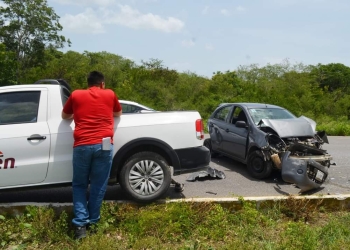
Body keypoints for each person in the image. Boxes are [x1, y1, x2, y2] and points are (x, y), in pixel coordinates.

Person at [61, 71, 122, 240]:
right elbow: (118, 113)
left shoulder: (76, 95)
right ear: (102, 84)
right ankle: (93, 221)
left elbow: (64, 115)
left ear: (87, 83)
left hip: (82, 144)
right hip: (104, 144)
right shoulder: (109, 94)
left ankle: (80, 225)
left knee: (79, 184)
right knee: (98, 184)